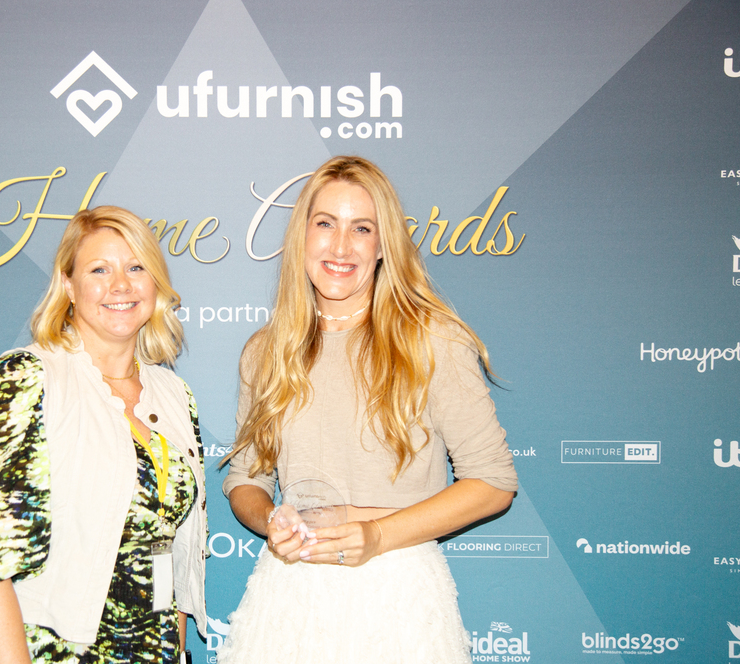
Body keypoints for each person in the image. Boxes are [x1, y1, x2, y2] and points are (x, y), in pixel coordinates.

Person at [218, 156, 517, 663]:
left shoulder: (432, 339)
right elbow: (246, 478)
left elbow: (493, 483)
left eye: (361, 228)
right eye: (325, 224)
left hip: (398, 595)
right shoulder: (266, 351)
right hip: (291, 594)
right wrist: (271, 520)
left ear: (383, 245)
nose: (340, 246)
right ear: (302, 236)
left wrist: (376, 537)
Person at [0, 206, 207, 664]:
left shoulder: (175, 396)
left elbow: (167, 547)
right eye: (99, 270)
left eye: (136, 268)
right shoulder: (24, 378)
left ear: (156, 283)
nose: (121, 285)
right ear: (68, 285)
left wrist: (175, 650)